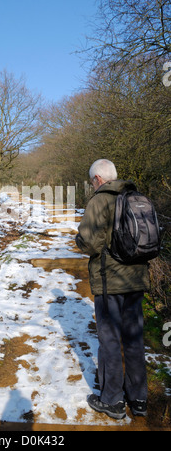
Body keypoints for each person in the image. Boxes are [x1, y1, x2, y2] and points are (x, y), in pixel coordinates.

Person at [75, 159, 149, 420]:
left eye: (91, 181)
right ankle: (139, 398)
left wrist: (78, 239)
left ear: (97, 179)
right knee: (134, 338)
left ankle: (112, 401)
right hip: (136, 279)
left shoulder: (100, 200)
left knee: (109, 340)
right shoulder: (136, 195)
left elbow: (90, 244)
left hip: (110, 282)